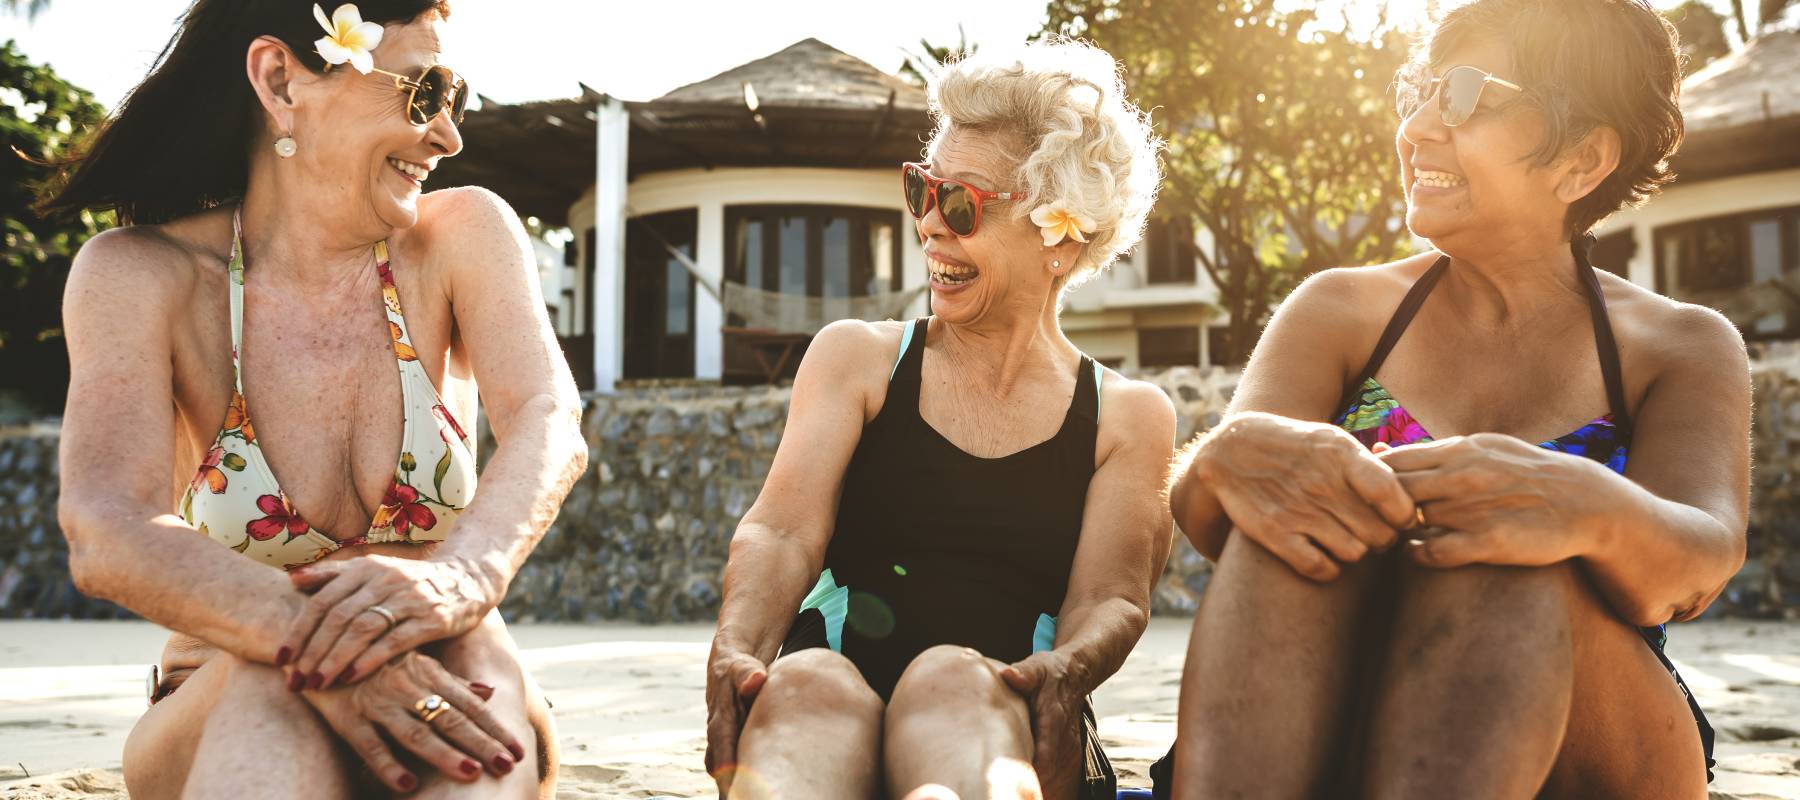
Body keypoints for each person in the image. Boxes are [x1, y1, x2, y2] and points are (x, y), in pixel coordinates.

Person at [1166, 0, 1744, 796]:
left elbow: (1699, 563)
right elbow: (1211, 514)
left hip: (1593, 745)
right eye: (1420, 91)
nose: (1418, 128)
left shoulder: (1679, 345)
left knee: (1499, 547)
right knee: (1289, 517)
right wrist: (1223, 461)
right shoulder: (1337, 311)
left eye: (1466, 95)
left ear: (1582, 159)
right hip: (1328, 714)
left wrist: (1576, 506)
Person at [49, 1, 587, 796]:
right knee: (273, 682)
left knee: (467, 654)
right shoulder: (138, 274)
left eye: (456, 98)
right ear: (279, 79)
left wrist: (462, 578)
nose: (449, 135)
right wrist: (309, 642)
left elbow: (550, 416)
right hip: (224, 690)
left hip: (448, 673)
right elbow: (104, 524)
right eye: (423, 92)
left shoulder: (463, 235)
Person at [702, 39, 1176, 800]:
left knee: (954, 678)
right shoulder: (856, 359)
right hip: (832, 688)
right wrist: (737, 649)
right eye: (923, 190)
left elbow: (1109, 599)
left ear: (1065, 236)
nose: (930, 226)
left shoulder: (1127, 416)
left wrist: (1066, 673)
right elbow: (783, 530)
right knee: (807, 686)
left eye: (962, 204)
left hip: (1007, 713)